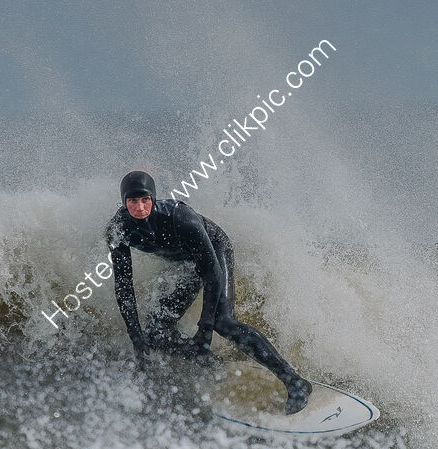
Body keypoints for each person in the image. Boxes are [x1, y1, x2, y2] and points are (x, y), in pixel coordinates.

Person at [105, 170, 313, 415]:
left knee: (222, 323)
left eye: (145, 200)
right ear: (123, 202)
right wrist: (135, 336)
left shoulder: (181, 218)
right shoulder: (117, 230)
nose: (140, 207)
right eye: (133, 201)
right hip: (187, 265)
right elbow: (124, 286)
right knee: (154, 334)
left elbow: (212, 272)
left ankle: (295, 382)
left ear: (153, 198)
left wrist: (205, 329)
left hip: (214, 252)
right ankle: (207, 361)